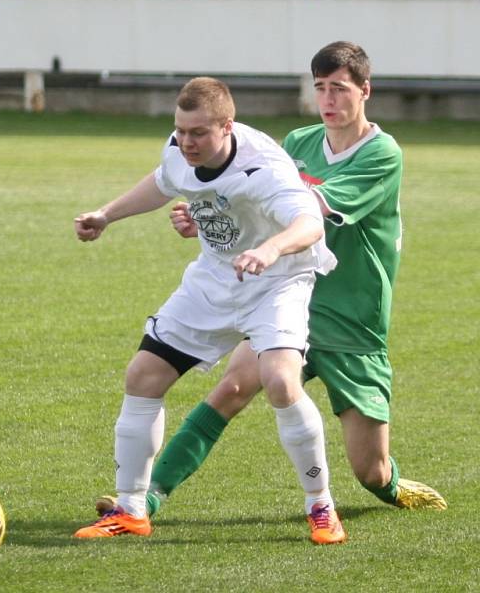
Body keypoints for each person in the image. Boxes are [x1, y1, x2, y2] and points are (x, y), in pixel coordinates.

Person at [97, 41, 446, 520]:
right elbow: (252, 203)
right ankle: (147, 496)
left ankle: (391, 485)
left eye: (339, 89)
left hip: (352, 317)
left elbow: (304, 209)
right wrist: (209, 215)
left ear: (365, 91)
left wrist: (238, 212)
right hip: (287, 295)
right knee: (232, 390)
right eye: (320, 87)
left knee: (369, 470)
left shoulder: (382, 153)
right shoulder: (300, 142)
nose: (328, 99)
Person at [72, 77, 346, 544]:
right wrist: (107, 214)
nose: (186, 142)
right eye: (180, 130)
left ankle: (320, 505)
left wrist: (271, 250)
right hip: (216, 277)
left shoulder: (263, 168)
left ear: (227, 126)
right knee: (143, 375)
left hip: (278, 280)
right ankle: (131, 509)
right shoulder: (179, 149)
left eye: (198, 132)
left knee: (281, 381)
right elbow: (163, 181)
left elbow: (309, 223)